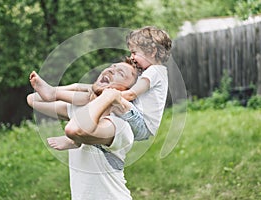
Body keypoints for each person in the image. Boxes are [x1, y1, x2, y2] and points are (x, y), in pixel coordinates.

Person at [32, 26, 172, 150]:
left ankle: (72, 138)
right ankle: (53, 92)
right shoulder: (154, 72)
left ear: (152, 51)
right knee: (101, 93)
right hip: (137, 118)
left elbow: (131, 95)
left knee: (106, 95)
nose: (132, 57)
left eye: (135, 53)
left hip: (142, 124)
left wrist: (107, 96)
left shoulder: (155, 71)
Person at [27, 61, 138, 200]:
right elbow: (33, 99)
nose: (110, 71)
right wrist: (82, 90)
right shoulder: (81, 110)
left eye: (120, 73)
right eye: (111, 67)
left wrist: (107, 95)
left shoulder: (119, 127)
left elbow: (75, 130)